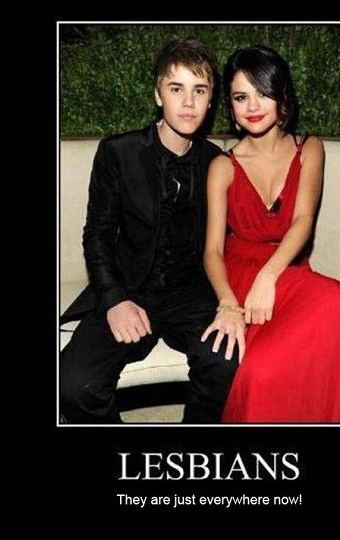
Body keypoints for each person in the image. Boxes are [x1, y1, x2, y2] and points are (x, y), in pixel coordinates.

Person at [60, 37, 239, 424]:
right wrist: (114, 299)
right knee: (73, 385)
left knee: (227, 364)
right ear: (158, 95)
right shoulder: (118, 152)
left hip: (193, 295)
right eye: (176, 88)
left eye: (199, 90)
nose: (188, 102)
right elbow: (97, 234)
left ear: (210, 101)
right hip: (129, 288)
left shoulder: (218, 162)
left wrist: (231, 302)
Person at [200, 45, 340, 423]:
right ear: (231, 107)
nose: (253, 106)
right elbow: (212, 251)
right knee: (261, 371)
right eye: (241, 97)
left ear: (281, 95)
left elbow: (303, 221)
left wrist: (269, 276)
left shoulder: (310, 148)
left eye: (263, 92)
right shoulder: (223, 166)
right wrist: (228, 304)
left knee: (338, 302)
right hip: (240, 277)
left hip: (287, 270)